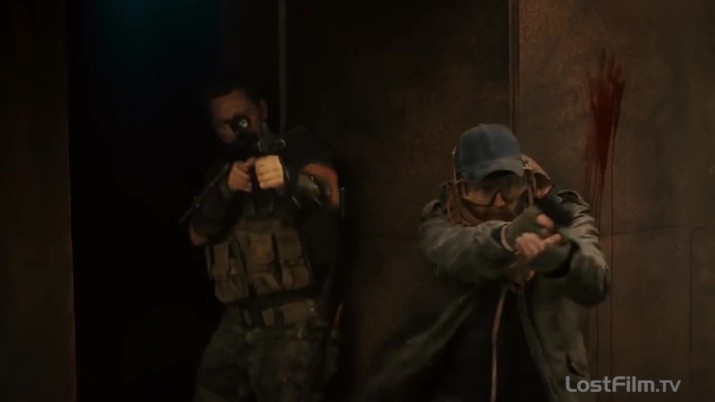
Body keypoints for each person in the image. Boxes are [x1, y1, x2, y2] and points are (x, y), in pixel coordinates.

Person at [361, 124, 611, 402]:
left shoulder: (561, 211)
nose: (500, 202)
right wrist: (506, 236)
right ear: (460, 188)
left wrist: (562, 260)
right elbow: (451, 250)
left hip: (547, 385)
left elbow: (596, 283)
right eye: (484, 190)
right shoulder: (444, 216)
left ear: (525, 179)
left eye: (509, 186)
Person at [187, 71, 342, 402]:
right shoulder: (222, 170)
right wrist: (224, 191)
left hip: (293, 320)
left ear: (262, 111)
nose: (237, 129)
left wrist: (290, 178)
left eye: (243, 117)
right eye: (226, 124)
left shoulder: (296, 147)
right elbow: (197, 235)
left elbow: (331, 194)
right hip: (240, 320)